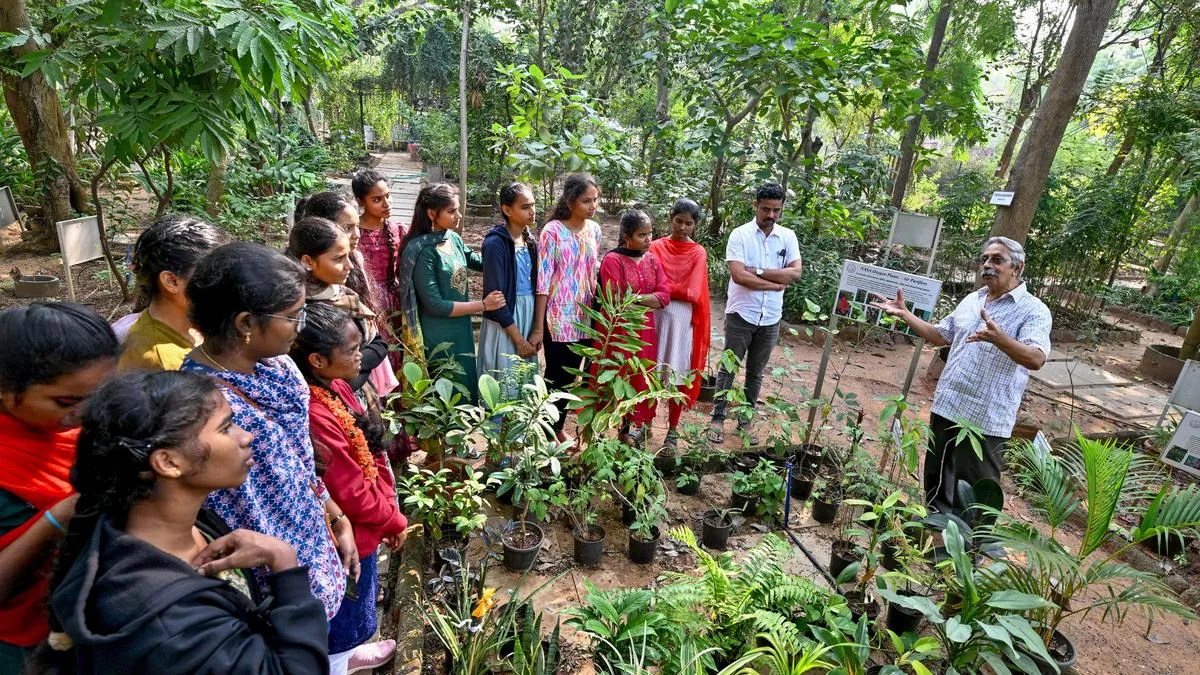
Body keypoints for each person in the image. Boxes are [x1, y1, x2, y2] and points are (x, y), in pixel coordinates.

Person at [40, 371, 328, 674]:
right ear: (169, 462)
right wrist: (286, 566)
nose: (246, 436)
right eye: (226, 427)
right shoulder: (170, 625)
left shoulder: (192, 523)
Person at [179, 242, 360, 672]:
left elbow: (298, 460)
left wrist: (335, 515)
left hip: (311, 539)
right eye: (293, 314)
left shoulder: (276, 365)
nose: (301, 324)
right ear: (245, 323)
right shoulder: (200, 407)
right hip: (268, 568)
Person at [872, 236, 1051, 514]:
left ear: (1018, 267)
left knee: (975, 490)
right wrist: (905, 314)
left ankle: (967, 549)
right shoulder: (972, 299)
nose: (988, 265)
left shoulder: (1033, 310)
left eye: (997, 259)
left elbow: (1036, 358)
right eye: (985, 259)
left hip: (985, 417)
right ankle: (934, 528)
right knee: (936, 476)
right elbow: (940, 335)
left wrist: (1000, 339)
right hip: (949, 404)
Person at [0, 303, 119, 673]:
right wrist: (58, 517)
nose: (85, 412)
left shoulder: (84, 430)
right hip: (23, 645)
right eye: (66, 402)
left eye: (99, 394)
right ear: (4, 389)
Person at [292, 304, 406, 673]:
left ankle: (350, 653)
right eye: (352, 349)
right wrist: (392, 518)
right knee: (343, 610)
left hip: (368, 521)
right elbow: (351, 492)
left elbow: (369, 453)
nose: (361, 354)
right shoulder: (315, 412)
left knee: (356, 607)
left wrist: (387, 506)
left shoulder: (337, 385)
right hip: (353, 533)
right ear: (318, 360)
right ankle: (339, 661)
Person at [709, 182, 803, 444]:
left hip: (771, 317)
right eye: (765, 209)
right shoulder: (739, 235)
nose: (770, 215)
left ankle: (745, 420)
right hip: (741, 313)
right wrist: (775, 283)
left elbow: (795, 272)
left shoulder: (788, 237)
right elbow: (739, 276)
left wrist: (758, 272)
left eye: (776, 210)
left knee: (756, 372)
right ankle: (717, 418)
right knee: (728, 368)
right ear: (755, 206)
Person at [396, 183, 505, 403]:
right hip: (438, 333)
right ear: (431, 213)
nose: (459, 215)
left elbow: (478, 262)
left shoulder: (452, 238)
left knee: (463, 384)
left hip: (461, 330)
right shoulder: (422, 251)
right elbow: (435, 305)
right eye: (452, 211)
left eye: (457, 209)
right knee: (444, 390)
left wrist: (503, 241)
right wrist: (483, 305)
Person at [533, 174, 604, 444]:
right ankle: (548, 429)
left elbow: (593, 274)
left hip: (586, 315)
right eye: (586, 200)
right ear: (571, 201)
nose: (592, 205)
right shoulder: (552, 231)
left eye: (595, 200)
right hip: (558, 317)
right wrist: (538, 327)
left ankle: (558, 426)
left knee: (576, 374)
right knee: (556, 376)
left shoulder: (594, 230)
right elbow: (543, 281)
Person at [287, 215, 393, 396]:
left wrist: (356, 365)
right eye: (338, 259)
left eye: (348, 256)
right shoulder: (298, 313)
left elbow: (379, 343)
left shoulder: (343, 294)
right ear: (308, 261)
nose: (349, 266)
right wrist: (359, 369)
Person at [596, 209, 670, 445]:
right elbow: (616, 297)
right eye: (642, 235)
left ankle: (625, 432)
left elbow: (665, 295)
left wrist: (636, 298)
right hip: (617, 330)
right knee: (616, 376)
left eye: (650, 234)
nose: (649, 239)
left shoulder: (652, 259)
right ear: (627, 236)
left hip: (645, 330)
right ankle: (598, 433)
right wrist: (648, 298)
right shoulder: (612, 260)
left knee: (637, 378)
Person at [119, 214, 225, 372]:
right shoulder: (162, 363)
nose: (226, 283)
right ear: (171, 281)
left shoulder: (195, 323)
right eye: (213, 275)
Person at [647, 199, 711, 448]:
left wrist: (662, 289)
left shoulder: (698, 252)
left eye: (689, 223)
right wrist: (663, 290)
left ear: (695, 226)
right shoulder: (655, 246)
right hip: (655, 315)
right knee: (651, 369)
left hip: (682, 320)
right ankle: (646, 423)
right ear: (670, 218)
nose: (683, 227)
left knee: (677, 372)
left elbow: (692, 292)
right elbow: (648, 279)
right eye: (679, 221)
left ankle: (672, 431)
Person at [478, 183, 539, 391]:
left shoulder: (529, 240)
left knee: (524, 383)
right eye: (525, 207)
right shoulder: (496, 244)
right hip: (506, 319)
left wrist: (535, 330)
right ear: (507, 210)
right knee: (502, 380)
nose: (532, 211)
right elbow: (495, 297)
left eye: (532, 205)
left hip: (527, 313)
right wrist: (519, 340)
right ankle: (494, 424)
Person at [351, 170, 407, 368]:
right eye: (377, 199)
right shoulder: (352, 233)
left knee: (399, 355)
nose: (386, 203)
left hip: (395, 304)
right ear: (360, 202)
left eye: (388, 196)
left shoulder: (398, 229)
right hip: (364, 305)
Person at [294, 191, 373, 307]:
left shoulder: (355, 259)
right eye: (347, 227)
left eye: (357, 226)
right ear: (323, 228)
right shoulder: (296, 290)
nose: (357, 235)